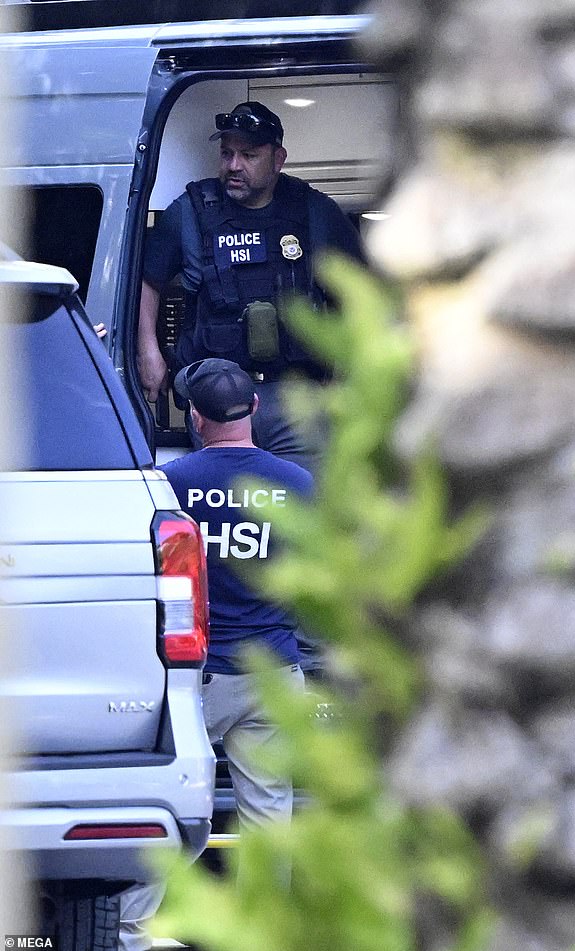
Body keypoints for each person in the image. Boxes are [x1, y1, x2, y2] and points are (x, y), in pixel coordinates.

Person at [118, 357, 313, 950]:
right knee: (268, 809)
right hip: (274, 670)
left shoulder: (168, 484)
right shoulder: (299, 484)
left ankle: (132, 928)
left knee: (167, 803)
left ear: (195, 417)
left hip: (192, 676)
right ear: (254, 408)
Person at [138, 100, 364, 471]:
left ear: (278, 159)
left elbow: (358, 289)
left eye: (248, 155)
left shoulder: (313, 211)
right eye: (226, 154)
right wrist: (149, 351)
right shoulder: (192, 212)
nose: (233, 166)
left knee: (300, 508)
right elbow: (148, 280)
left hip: (299, 397)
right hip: (217, 395)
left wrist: (350, 372)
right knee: (228, 508)